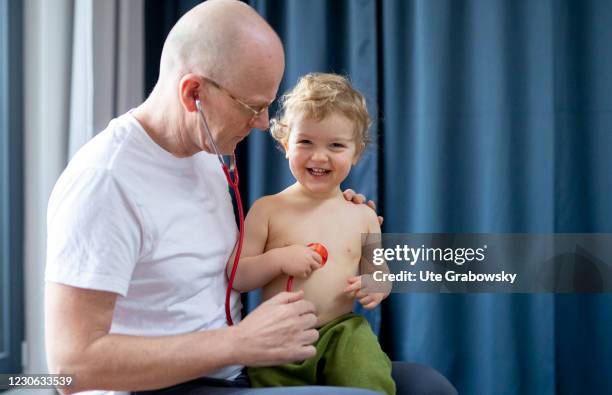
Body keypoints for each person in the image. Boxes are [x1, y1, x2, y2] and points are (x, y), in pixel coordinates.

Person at [44, 1, 457, 395]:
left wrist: (331, 209)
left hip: (241, 366)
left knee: (427, 387)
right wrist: (238, 343)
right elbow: (70, 369)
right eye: (252, 106)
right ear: (194, 95)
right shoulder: (106, 182)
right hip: (172, 385)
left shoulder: (202, 150)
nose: (262, 124)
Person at [227, 73, 395, 394]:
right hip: (278, 331)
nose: (319, 156)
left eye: (336, 145)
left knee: (368, 371)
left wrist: (376, 285)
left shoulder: (364, 216)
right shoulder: (268, 209)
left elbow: (380, 272)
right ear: (285, 144)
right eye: (305, 142)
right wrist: (278, 259)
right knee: (273, 383)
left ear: (356, 152)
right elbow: (237, 276)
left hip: (342, 331)